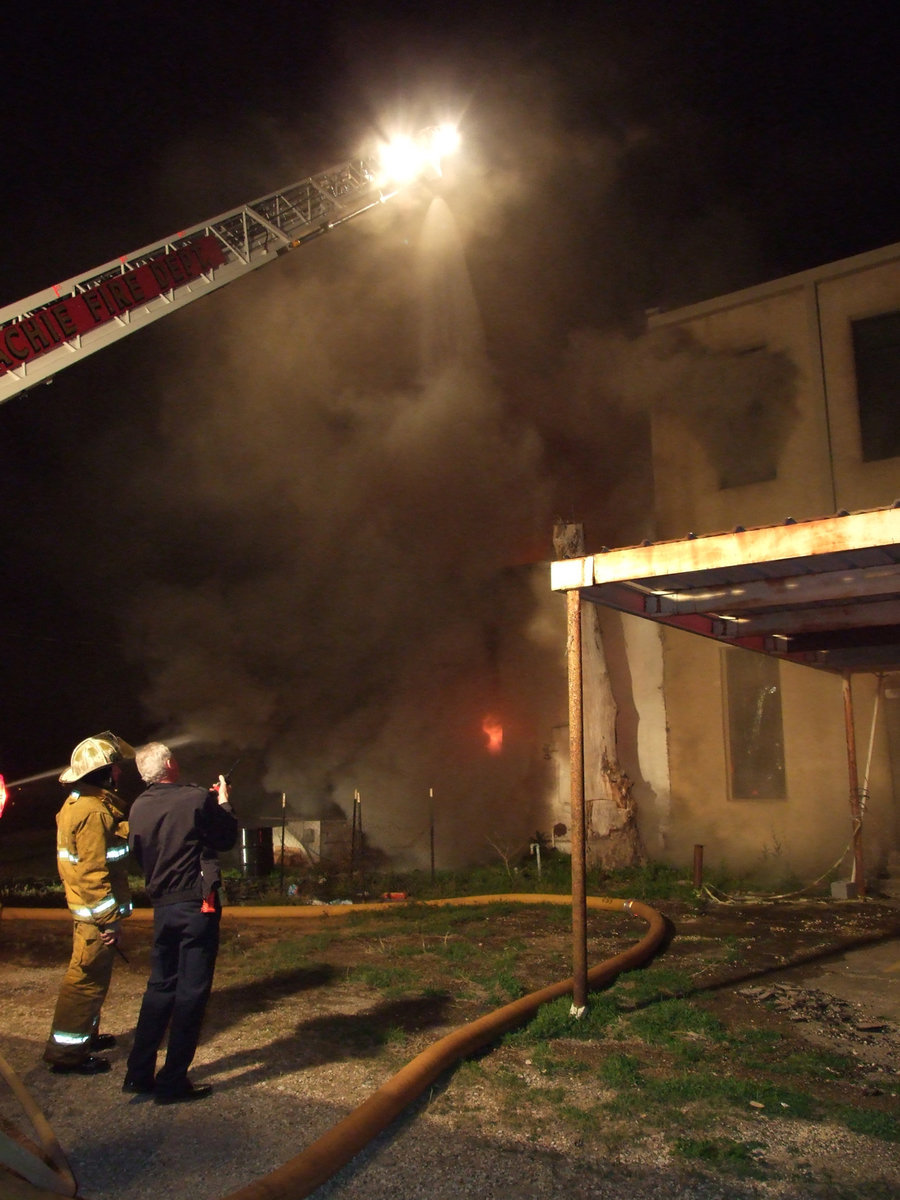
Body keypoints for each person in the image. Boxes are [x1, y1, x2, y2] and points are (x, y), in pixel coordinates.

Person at [124, 742, 237, 1104]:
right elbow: (226, 837)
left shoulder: (138, 805)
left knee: (160, 988)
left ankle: (138, 1075)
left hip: (163, 907)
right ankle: (173, 1081)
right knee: (191, 992)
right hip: (195, 906)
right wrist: (221, 802)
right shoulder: (194, 798)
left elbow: (139, 853)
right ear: (170, 764)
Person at [43, 732, 136, 1075]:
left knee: (92, 979)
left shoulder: (77, 802)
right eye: (115, 767)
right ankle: (68, 1055)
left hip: (87, 914)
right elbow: (93, 873)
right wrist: (109, 920)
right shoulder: (93, 812)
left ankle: (84, 1037)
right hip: (95, 918)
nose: (120, 773)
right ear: (104, 772)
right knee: (84, 984)